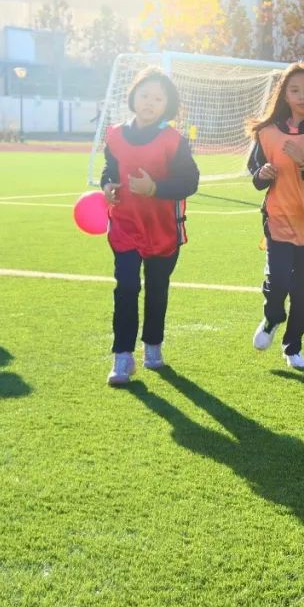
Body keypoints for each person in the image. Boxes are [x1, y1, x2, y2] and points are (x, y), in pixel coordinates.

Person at [100, 67, 200, 387]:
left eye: (158, 98)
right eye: (145, 95)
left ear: (167, 105)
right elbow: (109, 170)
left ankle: (152, 346)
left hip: (164, 230)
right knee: (126, 287)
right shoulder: (115, 134)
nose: (150, 102)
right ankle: (122, 356)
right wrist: (107, 186)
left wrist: (155, 188)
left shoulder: (174, 140)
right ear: (133, 97)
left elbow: (190, 182)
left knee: (157, 291)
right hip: (126, 225)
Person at [247, 62, 304, 368]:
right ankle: (272, 318)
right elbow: (255, 176)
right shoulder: (267, 133)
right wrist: (263, 173)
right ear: (284, 95)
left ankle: (293, 345)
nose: (302, 96)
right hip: (279, 219)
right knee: (278, 282)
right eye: (295, 90)